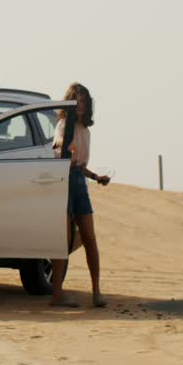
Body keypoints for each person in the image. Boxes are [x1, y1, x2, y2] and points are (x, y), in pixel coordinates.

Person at [49, 82, 111, 308]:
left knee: (89, 239)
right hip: (63, 181)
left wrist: (96, 177)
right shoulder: (63, 125)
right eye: (78, 101)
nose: (82, 105)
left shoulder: (85, 131)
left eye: (85, 101)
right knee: (62, 242)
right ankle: (57, 294)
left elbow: (80, 165)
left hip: (79, 182)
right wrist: (63, 146)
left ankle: (97, 292)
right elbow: (57, 146)